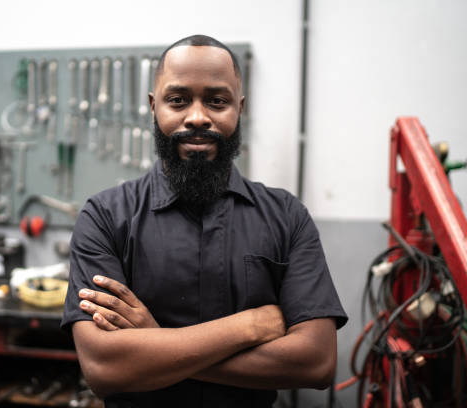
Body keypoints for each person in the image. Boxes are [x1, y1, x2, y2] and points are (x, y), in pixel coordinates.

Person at [61, 34, 348, 408]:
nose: (197, 117)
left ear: (239, 108)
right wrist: (249, 326)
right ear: (153, 106)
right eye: (178, 100)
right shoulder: (104, 217)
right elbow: (103, 367)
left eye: (217, 101)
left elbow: (316, 363)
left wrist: (155, 343)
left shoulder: (286, 217)